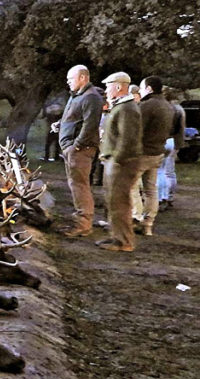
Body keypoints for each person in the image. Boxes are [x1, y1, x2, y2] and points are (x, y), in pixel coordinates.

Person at [56, 65, 105, 237]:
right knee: (76, 185)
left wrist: (76, 146)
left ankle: (83, 224)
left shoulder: (91, 97)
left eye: (71, 78)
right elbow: (75, 118)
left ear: (83, 78)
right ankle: (80, 220)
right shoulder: (79, 96)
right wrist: (61, 125)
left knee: (80, 186)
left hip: (80, 150)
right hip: (73, 149)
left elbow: (90, 125)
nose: (68, 82)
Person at [96, 71, 142, 252]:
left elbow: (127, 140)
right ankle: (116, 237)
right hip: (115, 161)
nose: (106, 90)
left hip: (121, 164)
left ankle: (124, 242)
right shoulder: (121, 106)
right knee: (114, 202)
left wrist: (116, 160)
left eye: (108, 86)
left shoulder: (127, 108)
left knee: (120, 203)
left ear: (118, 86)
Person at [132, 76, 175, 236]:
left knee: (132, 186)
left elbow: (136, 129)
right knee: (151, 189)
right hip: (158, 151)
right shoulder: (168, 106)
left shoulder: (147, 106)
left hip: (143, 152)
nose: (140, 92)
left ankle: (135, 219)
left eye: (142, 88)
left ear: (149, 88)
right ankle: (148, 223)